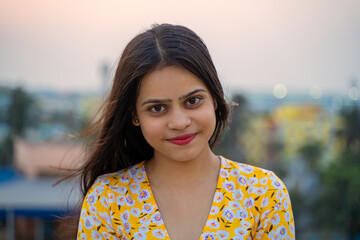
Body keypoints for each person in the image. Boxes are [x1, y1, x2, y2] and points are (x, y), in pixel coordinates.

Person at [76, 23, 295, 240]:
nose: (179, 122)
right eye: (157, 108)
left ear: (215, 99)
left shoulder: (265, 195)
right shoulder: (107, 201)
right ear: (135, 116)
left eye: (192, 101)